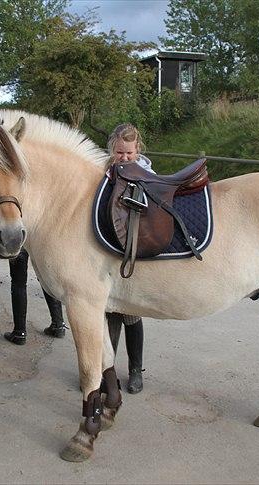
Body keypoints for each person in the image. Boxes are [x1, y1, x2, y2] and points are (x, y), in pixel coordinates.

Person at [105, 123, 150, 394]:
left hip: (133, 252)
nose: (124, 158)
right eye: (119, 152)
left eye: (129, 153)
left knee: (131, 315)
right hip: (109, 250)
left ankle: (136, 370)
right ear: (112, 150)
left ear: (138, 151)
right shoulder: (104, 173)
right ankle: (106, 370)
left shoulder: (147, 175)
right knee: (109, 312)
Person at [4, 249, 66, 345]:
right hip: (42, 238)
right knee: (46, 278)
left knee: (18, 282)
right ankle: (58, 325)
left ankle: (19, 332)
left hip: (21, 238)